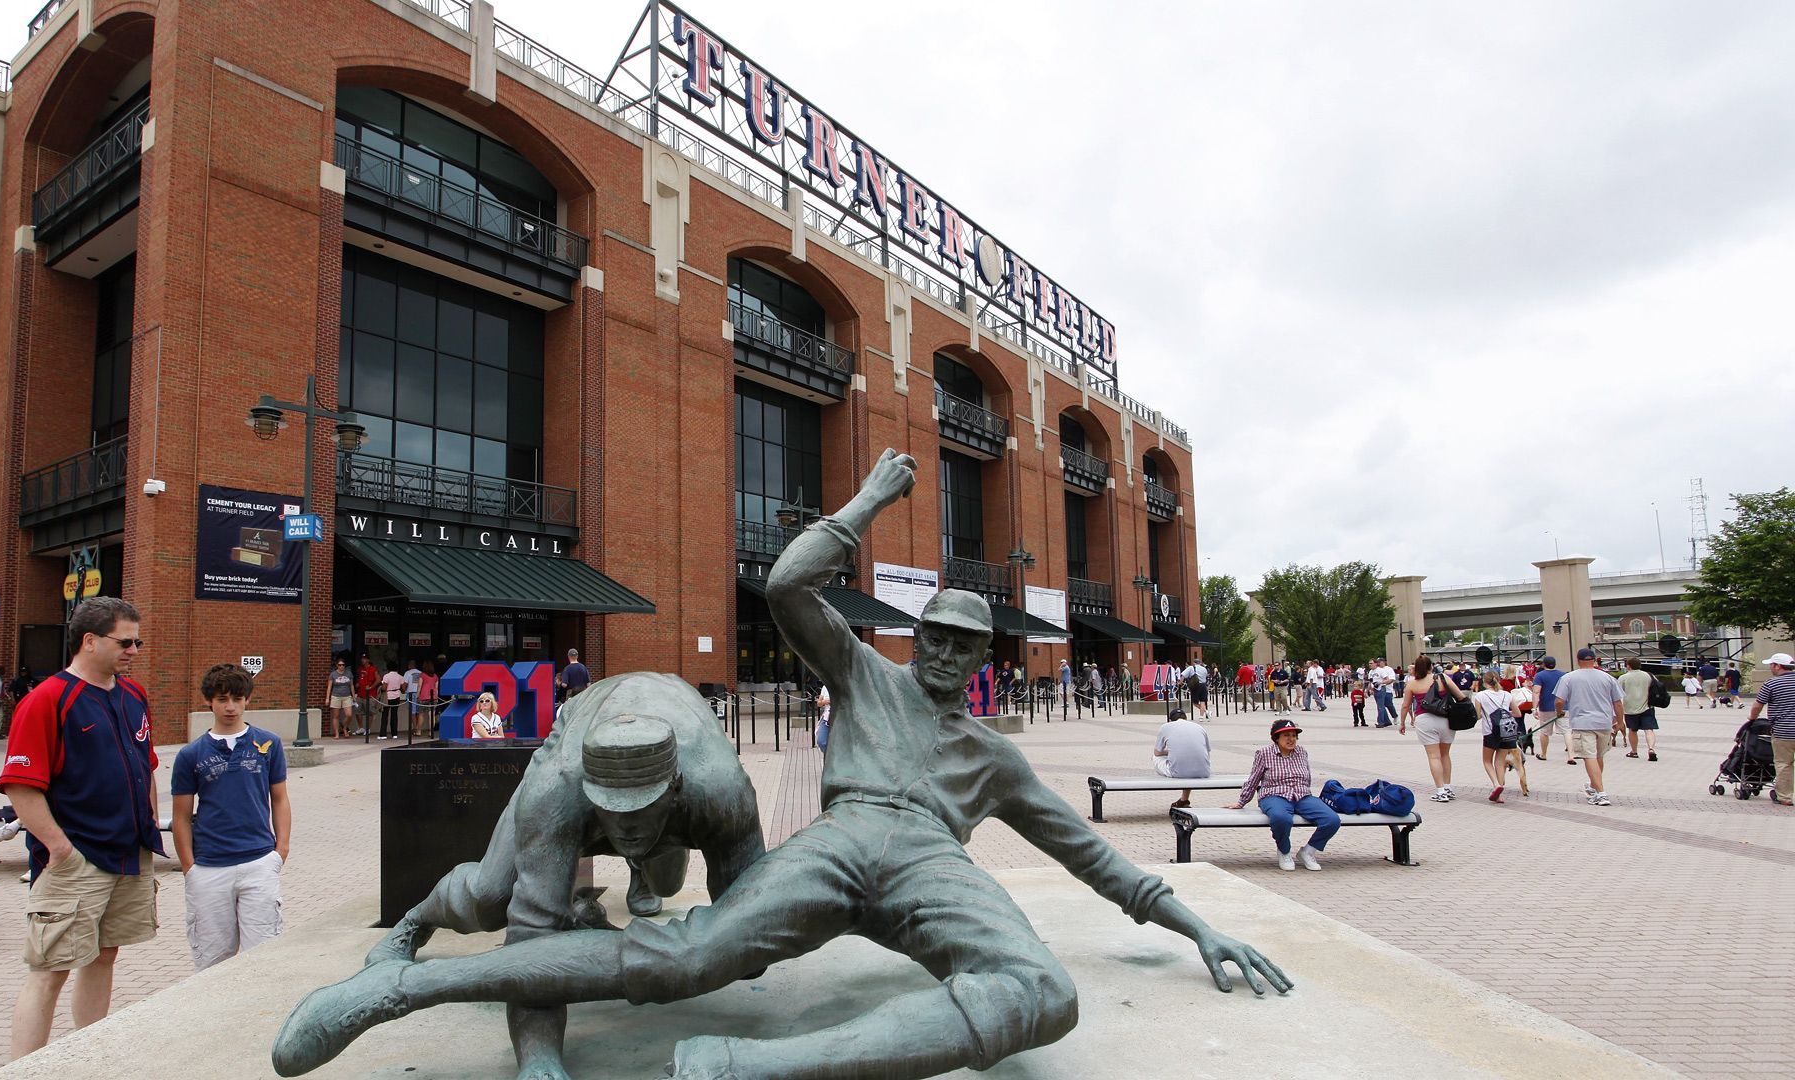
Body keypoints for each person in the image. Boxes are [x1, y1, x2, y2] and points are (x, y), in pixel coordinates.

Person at [275, 448, 1289, 1080]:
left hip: (934, 870)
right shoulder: (864, 673)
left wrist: (1192, 924)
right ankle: (396, 992)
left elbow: (1094, 859)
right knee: (686, 955)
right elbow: (792, 586)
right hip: (836, 845)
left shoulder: (993, 759)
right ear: (916, 633)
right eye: (930, 632)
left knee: (1043, 993)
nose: (939, 651)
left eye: (959, 643)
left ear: (985, 657)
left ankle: (744, 1067)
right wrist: (862, 506)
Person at [364, 672, 768, 1075]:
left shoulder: (722, 792)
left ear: (676, 789)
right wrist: (539, 1060)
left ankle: (639, 871)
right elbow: (530, 946)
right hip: (576, 739)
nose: (625, 825)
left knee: (716, 930)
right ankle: (415, 922)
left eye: (639, 809)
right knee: (488, 898)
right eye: (612, 808)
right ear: (588, 792)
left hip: (682, 765)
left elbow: (751, 929)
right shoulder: (556, 792)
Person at [0, 596, 162, 1060]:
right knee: (50, 968)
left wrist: (148, 821)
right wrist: (60, 848)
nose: (134, 650)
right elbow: (20, 785)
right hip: (77, 858)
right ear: (89, 641)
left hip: (129, 852)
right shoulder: (47, 699)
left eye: (138, 641)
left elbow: (145, 765)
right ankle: (23, 1069)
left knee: (105, 953)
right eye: (125, 642)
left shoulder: (133, 695)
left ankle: (92, 1053)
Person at [171, 663, 291, 971]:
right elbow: (182, 816)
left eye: (237, 699)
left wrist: (281, 850)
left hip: (259, 862)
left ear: (247, 700)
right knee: (211, 962)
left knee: (262, 957)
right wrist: (189, 867)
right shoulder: (190, 755)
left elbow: (279, 798)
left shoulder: (268, 744)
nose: (230, 707)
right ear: (209, 701)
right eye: (223, 699)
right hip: (209, 867)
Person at [1225, 718, 1338, 872]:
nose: (1291, 739)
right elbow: (1253, 779)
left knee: (1332, 820)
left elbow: (1307, 776)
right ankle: (1284, 851)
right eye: (1286, 736)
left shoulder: (1301, 752)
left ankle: (1308, 852)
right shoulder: (1264, 753)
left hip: (1302, 795)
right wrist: (1241, 801)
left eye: (1293, 735)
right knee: (1281, 818)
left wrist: (1307, 796)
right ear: (1276, 738)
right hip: (1273, 795)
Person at [1554, 647, 1626, 806]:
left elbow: (1559, 700)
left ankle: (1601, 793)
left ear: (1578, 661)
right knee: (1598, 755)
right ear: (1594, 660)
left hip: (1582, 722)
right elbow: (1618, 703)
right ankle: (1594, 787)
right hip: (1604, 722)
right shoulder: (1608, 678)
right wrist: (1620, 722)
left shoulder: (1569, 678)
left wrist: (1559, 712)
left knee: (1589, 756)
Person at [1399, 655, 1470, 803]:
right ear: (1431, 667)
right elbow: (1460, 695)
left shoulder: (1412, 684)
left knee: (1433, 756)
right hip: (1445, 719)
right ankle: (1448, 787)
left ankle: (1440, 791)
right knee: (1445, 755)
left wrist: (1402, 723)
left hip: (1425, 720)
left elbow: (1405, 705)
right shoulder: (1442, 678)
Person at [1474, 672, 1528, 803]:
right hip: (1507, 732)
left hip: (1490, 732)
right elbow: (1517, 713)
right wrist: (1504, 714)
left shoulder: (1480, 695)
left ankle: (1496, 785)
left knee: (1487, 761)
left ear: (1484, 682)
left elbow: (1478, 715)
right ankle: (1499, 792)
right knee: (1500, 761)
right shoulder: (1507, 695)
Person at [1749, 653, 1794, 807]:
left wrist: (1752, 719)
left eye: (1771, 664)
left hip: (1783, 732)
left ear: (1778, 666)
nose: (1770, 667)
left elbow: (1758, 705)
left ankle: (1785, 797)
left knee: (1783, 764)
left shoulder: (1771, 684)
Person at [1152, 707, 1211, 809]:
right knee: (1189, 762)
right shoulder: (1199, 727)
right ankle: (1184, 800)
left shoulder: (1165, 727)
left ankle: (1181, 798)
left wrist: (1170, 752)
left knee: (1155, 757)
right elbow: (1207, 753)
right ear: (1185, 718)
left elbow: (1157, 753)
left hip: (1178, 772)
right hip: (1204, 771)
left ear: (1170, 720)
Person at [1618, 660, 1660, 762]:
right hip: (1647, 707)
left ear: (1628, 666)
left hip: (1630, 709)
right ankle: (1651, 749)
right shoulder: (1649, 676)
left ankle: (1634, 751)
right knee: (1649, 729)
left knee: (1632, 730)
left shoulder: (1623, 678)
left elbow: (1617, 693)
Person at [1531, 655, 1567, 763]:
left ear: (1544, 664)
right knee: (1567, 731)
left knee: (1545, 732)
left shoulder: (1539, 676)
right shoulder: (1564, 675)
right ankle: (1571, 754)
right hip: (1564, 706)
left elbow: (1536, 692)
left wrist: (1534, 708)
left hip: (1546, 707)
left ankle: (1544, 754)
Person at [325, 659, 355, 739]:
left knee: (349, 715)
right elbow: (329, 687)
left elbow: (351, 685)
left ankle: (344, 728)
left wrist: (353, 696)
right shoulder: (333, 674)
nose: (341, 666)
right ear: (337, 665)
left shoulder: (349, 673)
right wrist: (327, 698)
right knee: (336, 715)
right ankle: (337, 733)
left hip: (347, 696)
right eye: (340, 665)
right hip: (336, 696)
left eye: (343, 665)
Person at [379, 664, 405, 740]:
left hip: (388, 696)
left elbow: (384, 688)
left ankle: (383, 734)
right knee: (394, 715)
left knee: (385, 715)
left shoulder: (386, 676)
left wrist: (381, 687)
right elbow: (403, 690)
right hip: (397, 696)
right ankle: (394, 734)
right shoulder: (400, 677)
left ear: (388, 669)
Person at [354, 656, 379, 735]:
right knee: (358, 711)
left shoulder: (373, 669)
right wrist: (358, 683)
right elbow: (360, 678)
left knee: (370, 712)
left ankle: (368, 729)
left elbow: (378, 679)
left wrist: (371, 687)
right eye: (362, 658)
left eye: (364, 659)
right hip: (360, 694)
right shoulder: (360, 669)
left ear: (368, 660)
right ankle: (361, 728)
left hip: (370, 694)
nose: (362, 660)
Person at [403, 661, 424, 737]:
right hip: (420, 693)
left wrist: (403, 690)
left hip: (411, 694)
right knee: (419, 712)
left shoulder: (407, 673)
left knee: (412, 712)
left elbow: (405, 684)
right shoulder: (420, 673)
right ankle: (419, 729)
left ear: (409, 666)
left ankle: (415, 728)